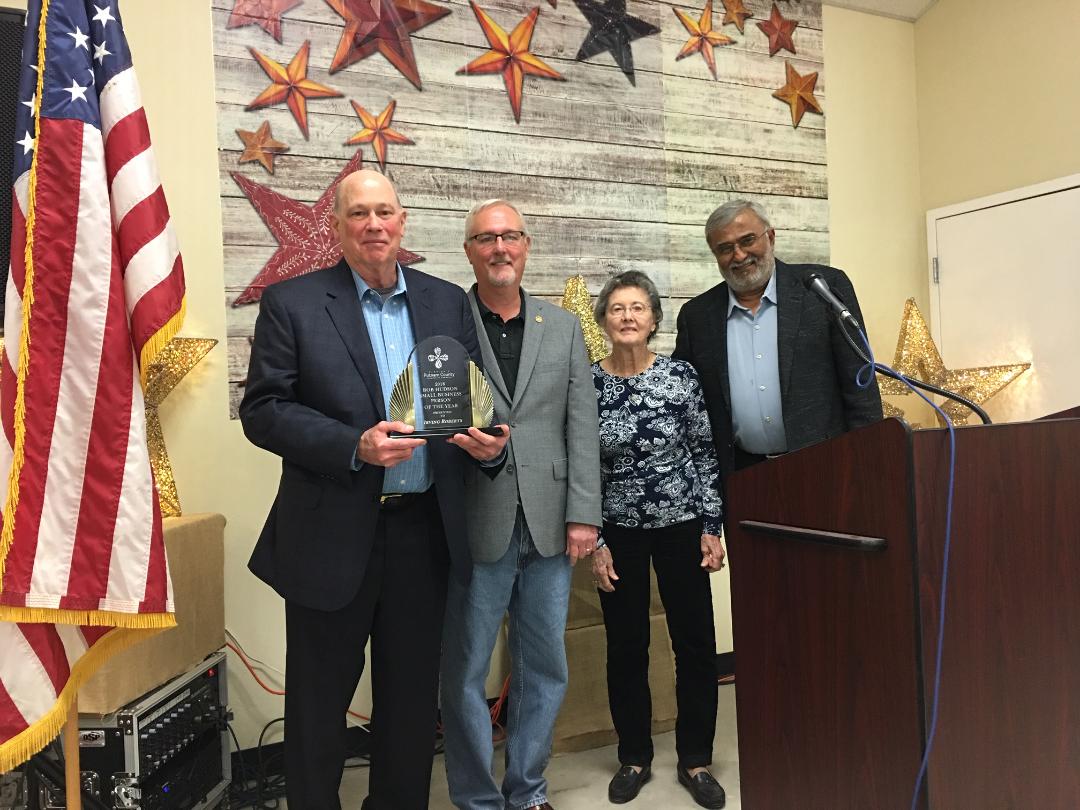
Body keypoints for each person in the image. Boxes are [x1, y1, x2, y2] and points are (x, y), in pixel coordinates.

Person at [240, 170, 508, 810]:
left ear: (402, 221)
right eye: (358, 213)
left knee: (411, 704)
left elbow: (471, 402)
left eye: (384, 211)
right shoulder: (293, 302)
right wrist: (351, 445)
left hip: (424, 533)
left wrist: (489, 444)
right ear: (336, 226)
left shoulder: (447, 302)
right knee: (318, 704)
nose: (373, 225)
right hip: (329, 534)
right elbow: (264, 410)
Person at [440, 199, 602, 810]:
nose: (499, 248)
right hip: (474, 519)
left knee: (544, 664)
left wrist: (584, 513)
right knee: (465, 670)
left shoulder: (561, 326)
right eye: (486, 238)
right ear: (469, 251)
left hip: (550, 523)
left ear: (526, 246)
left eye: (510, 236)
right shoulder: (445, 322)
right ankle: (477, 799)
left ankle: (528, 791)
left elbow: (581, 424)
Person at [587, 271, 728, 809]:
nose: (627, 316)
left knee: (694, 643)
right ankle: (634, 756)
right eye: (617, 308)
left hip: (682, 524)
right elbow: (583, 467)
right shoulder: (588, 383)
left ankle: (695, 758)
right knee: (626, 646)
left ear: (653, 320)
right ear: (603, 320)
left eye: (638, 308)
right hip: (617, 531)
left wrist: (711, 526)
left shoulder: (679, 376)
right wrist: (597, 540)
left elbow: (704, 452)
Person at [673, 199, 883, 478]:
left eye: (747, 240)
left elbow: (860, 385)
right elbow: (686, 401)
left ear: (770, 237)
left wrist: (869, 465)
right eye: (725, 248)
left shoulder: (822, 288)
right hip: (742, 475)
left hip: (827, 467)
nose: (739, 255)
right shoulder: (697, 316)